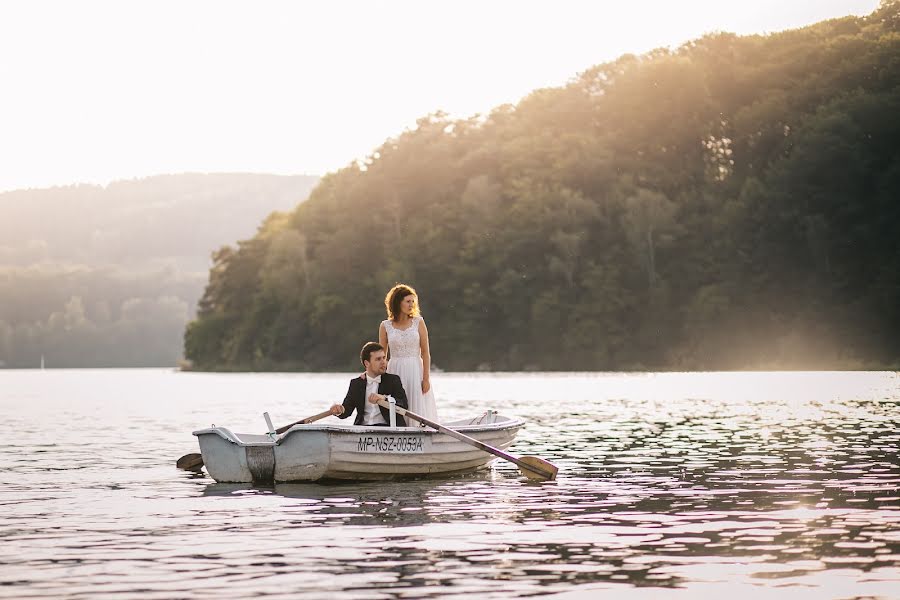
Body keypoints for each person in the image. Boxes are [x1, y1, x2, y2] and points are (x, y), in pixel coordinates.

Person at [378, 283, 438, 426]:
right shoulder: (385, 326)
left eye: (413, 301)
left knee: (416, 405)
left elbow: (425, 352)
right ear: (398, 302)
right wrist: (373, 376)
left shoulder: (418, 322)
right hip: (394, 370)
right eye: (407, 301)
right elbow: (381, 356)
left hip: (415, 369)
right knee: (396, 404)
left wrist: (426, 379)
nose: (411, 304)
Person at [330, 342, 408, 426]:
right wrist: (339, 410)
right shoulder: (356, 383)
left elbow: (403, 404)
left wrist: (384, 398)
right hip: (362, 429)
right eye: (378, 359)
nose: (383, 362)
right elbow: (347, 410)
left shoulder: (393, 380)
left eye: (384, 358)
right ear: (367, 363)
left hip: (387, 429)